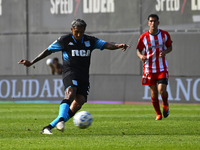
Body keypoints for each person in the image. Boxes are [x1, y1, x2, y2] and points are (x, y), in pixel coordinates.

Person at [18, 19, 130, 134]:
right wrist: (32, 62)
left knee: (78, 103)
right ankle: (61, 120)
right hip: (70, 72)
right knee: (70, 92)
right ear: (72, 30)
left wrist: (117, 45)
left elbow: (106, 44)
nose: (79, 34)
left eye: (81, 32)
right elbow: (48, 51)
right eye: (76, 31)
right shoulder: (64, 40)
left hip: (84, 76)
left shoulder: (90, 40)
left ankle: (48, 127)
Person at [136, 14, 172, 120]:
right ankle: (158, 113)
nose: (153, 23)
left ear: (158, 22)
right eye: (151, 21)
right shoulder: (143, 37)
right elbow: (138, 50)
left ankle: (165, 105)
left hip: (162, 67)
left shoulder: (165, 35)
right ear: (148, 23)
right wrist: (141, 56)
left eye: (155, 21)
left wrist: (165, 51)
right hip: (149, 68)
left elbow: (170, 47)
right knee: (154, 93)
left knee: (161, 90)